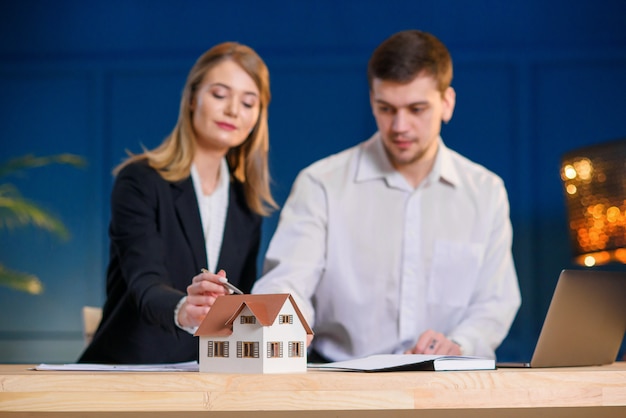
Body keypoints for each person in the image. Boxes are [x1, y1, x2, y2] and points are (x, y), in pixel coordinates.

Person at [252, 30, 521, 362]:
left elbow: (495, 302)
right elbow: (287, 282)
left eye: (417, 108)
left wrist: (461, 343)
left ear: (446, 103)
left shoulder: (485, 192)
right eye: (386, 108)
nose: (400, 126)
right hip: (340, 386)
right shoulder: (321, 183)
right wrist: (285, 328)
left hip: (448, 386)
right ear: (372, 102)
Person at [79, 42, 276, 364]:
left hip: (206, 375)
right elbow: (144, 281)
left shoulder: (247, 203)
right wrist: (184, 308)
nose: (233, 111)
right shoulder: (140, 180)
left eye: (249, 102)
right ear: (192, 98)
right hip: (127, 370)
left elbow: (241, 300)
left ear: (258, 116)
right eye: (219, 94)